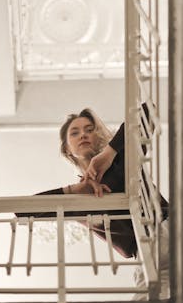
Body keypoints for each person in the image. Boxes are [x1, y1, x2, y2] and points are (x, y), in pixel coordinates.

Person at [34, 107, 169, 260]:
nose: (83, 135)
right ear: (67, 149)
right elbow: (24, 211)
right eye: (75, 133)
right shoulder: (77, 199)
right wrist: (76, 189)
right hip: (144, 257)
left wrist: (109, 153)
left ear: (99, 136)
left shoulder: (121, 159)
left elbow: (149, 111)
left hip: (166, 231)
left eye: (89, 130)